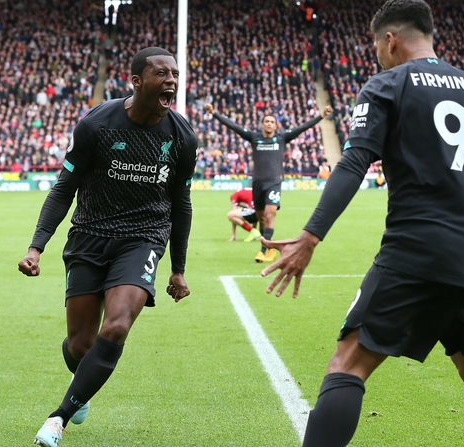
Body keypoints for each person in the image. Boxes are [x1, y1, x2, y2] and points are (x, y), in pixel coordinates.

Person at [260, 2, 464, 446]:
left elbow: (354, 162)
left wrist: (310, 236)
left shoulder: (386, 84)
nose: (376, 54)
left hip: (416, 251)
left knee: (347, 365)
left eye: (375, 45)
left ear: (390, 40)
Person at [18, 47, 197, 447]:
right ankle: (80, 386)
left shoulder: (182, 137)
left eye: (176, 74)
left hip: (143, 239)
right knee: (80, 346)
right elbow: (64, 187)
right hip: (89, 237)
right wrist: (37, 247)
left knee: (116, 327)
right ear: (135, 81)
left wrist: (178, 267)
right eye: (161, 73)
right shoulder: (96, 124)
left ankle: (58, 417)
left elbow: (181, 204)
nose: (171, 80)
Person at [203, 102, 333, 263]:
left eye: (272, 122)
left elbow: (303, 128)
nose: (269, 124)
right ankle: (270, 249)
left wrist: (322, 115)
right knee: (262, 218)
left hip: (274, 182)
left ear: (275, 126)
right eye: (267, 122)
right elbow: (234, 127)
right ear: (262, 125)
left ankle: (263, 251)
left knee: (270, 215)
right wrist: (214, 113)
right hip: (257, 184)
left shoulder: (282, 138)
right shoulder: (254, 138)